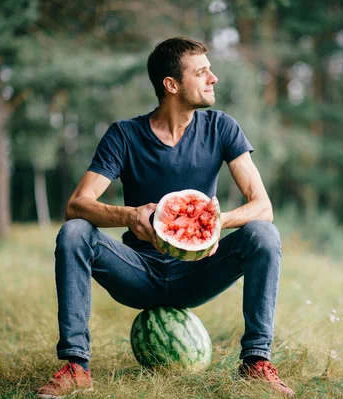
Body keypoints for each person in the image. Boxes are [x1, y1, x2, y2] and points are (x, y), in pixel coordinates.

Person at [36, 37, 294, 398]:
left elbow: (262, 206)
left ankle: (255, 361)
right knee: (75, 232)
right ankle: (76, 365)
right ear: (171, 85)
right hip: (138, 271)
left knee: (264, 235)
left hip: (197, 271)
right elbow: (77, 204)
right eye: (202, 71)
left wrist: (214, 223)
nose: (213, 78)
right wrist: (130, 216)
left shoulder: (221, 128)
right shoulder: (124, 135)